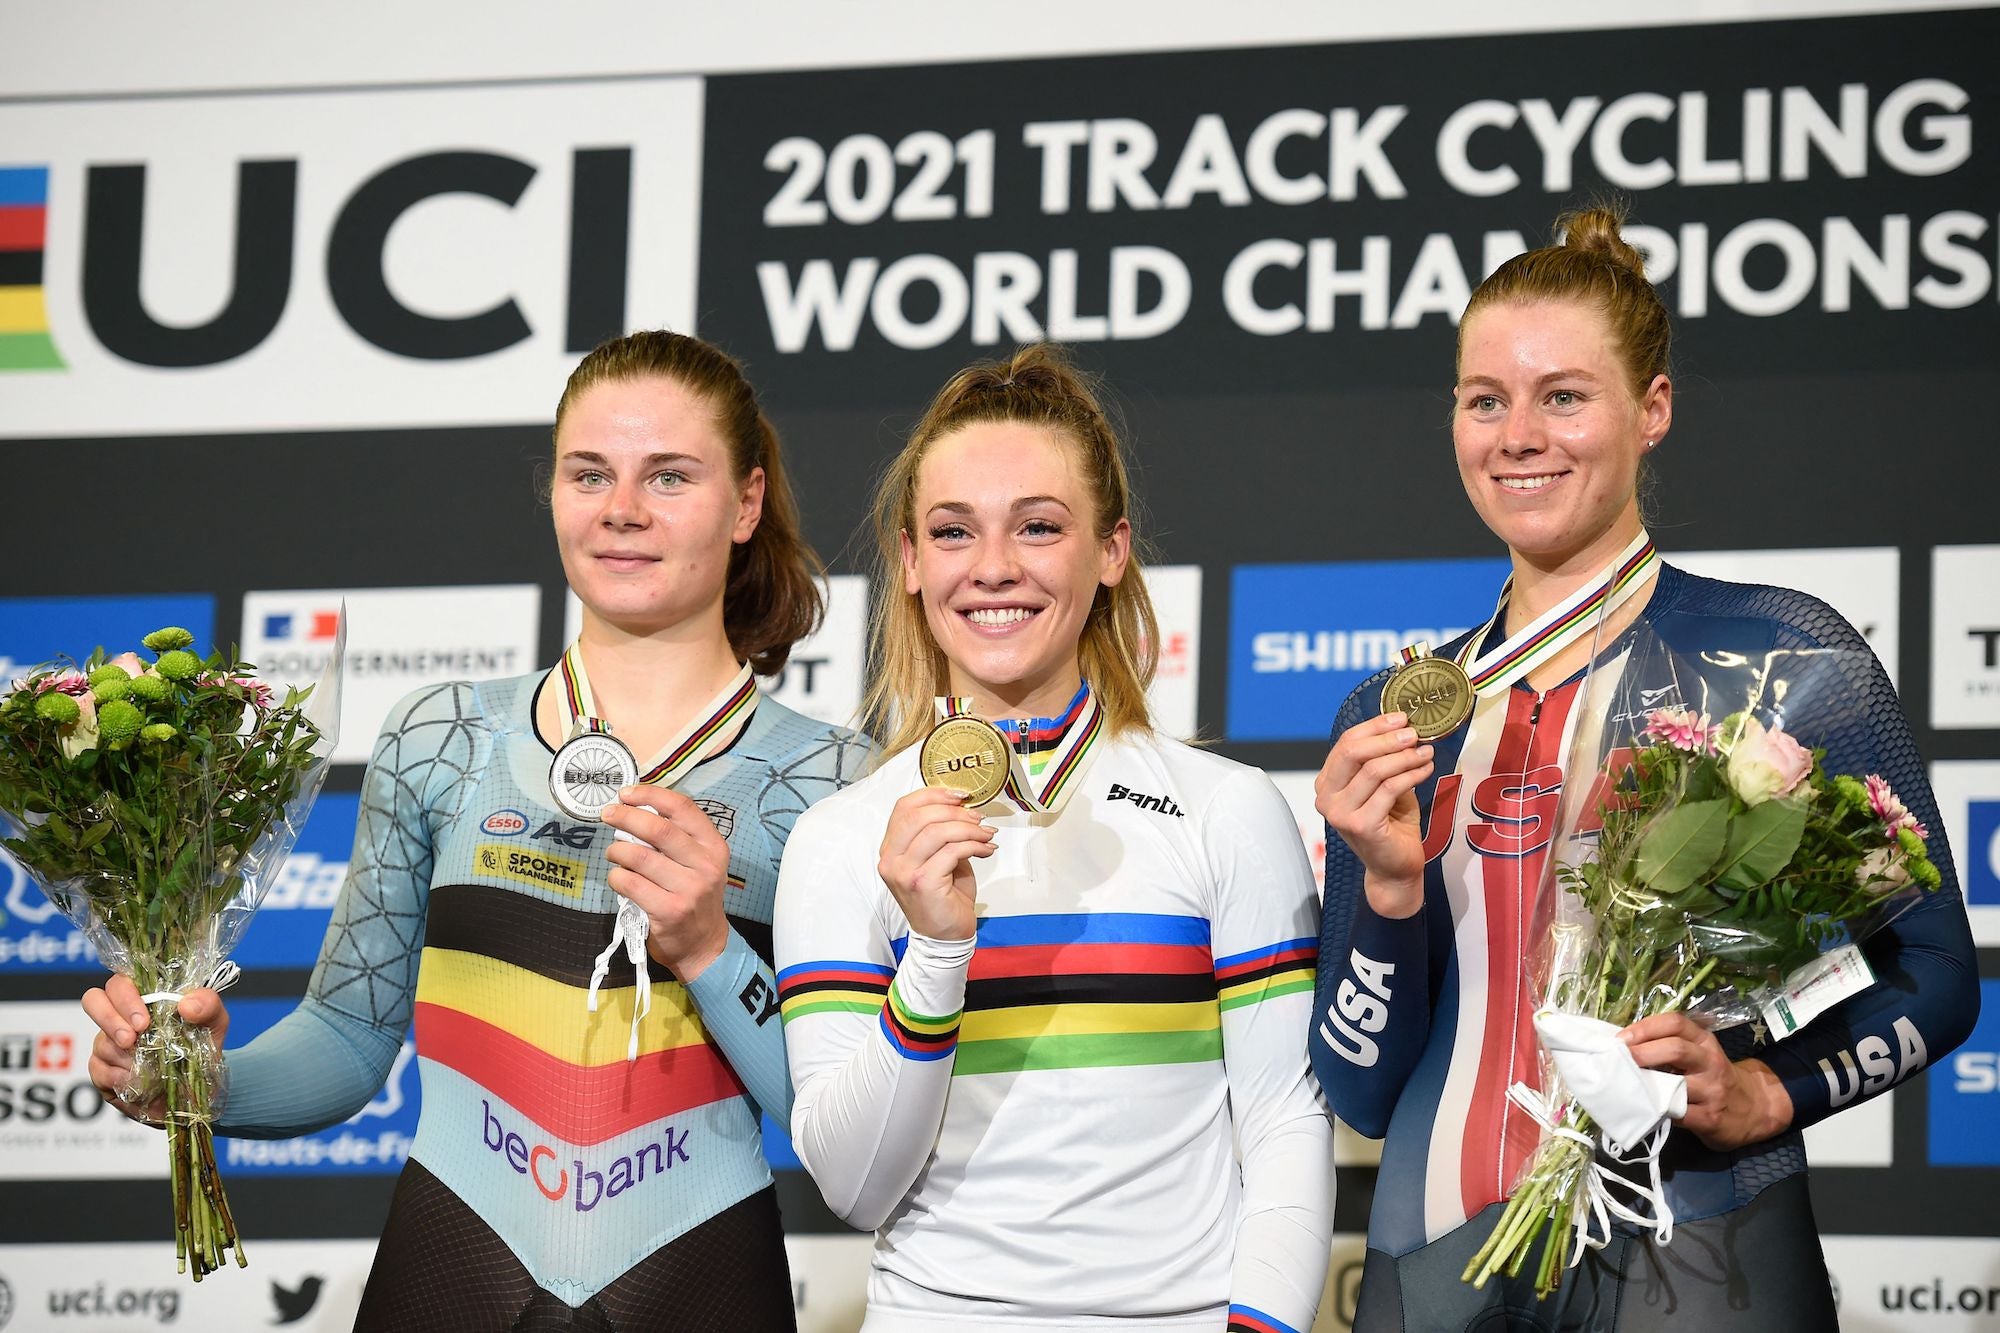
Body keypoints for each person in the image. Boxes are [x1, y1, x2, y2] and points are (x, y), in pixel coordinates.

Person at [82, 330, 872, 1331]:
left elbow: (837, 1113)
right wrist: (197, 1084)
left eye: (669, 476)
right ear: (552, 490)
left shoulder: (829, 779)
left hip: (698, 1268)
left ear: (745, 502)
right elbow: (348, 1036)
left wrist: (711, 951)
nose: (622, 508)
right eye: (590, 473)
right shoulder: (441, 736)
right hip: (453, 1261)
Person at [1307, 205, 1980, 1331]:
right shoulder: (1388, 720)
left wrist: (1773, 1088)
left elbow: (1937, 972)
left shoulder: (1783, 661)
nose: (1516, 433)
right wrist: (1383, 889)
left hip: (1699, 1248)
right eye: (1484, 400)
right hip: (1431, 1261)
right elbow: (1362, 1088)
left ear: (1650, 409)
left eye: (1561, 395)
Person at [773, 344, 1333, 1333]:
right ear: (907, 562)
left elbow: (1286, 1126)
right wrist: (936, 953)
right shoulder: (840, 839)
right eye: (953, 531)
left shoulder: (1225, 808)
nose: (994, 567)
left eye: (1037, 526)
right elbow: (854, 1186)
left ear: (1109, 550)